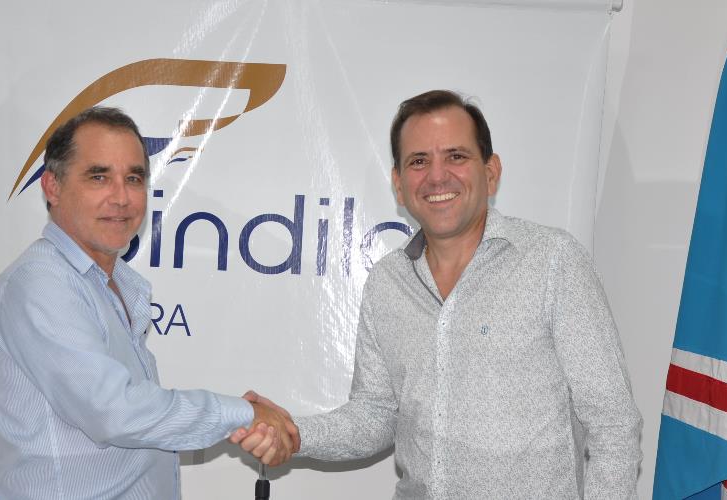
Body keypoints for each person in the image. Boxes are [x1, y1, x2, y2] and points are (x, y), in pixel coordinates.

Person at [235, 90, 642, 498]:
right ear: (399, 184)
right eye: (418, 161)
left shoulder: (553, 261)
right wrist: (292, 432)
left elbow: (614, 424)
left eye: (456, 156)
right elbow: (376, 415)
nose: (437, 176)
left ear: (491, 172)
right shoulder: (387, 282)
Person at [0, 106, 295, 500]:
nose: (121, 198)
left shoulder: (116, 283)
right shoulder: (39, 283)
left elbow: (134, 427)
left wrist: (242, 419)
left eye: (133, 178)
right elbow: (115, 411)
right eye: (99, 177)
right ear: (52, 187)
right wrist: (244, 415)